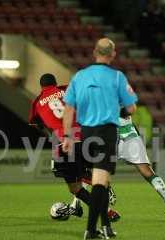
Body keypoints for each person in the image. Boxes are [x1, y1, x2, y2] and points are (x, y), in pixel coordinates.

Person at [62, 38, 137, 240]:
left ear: (94, 51)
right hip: (106, 132)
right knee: (100, 182)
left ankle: (105, 227)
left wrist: (68, 135)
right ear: (113, 54)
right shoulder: (117, 77)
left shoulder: (80, 77)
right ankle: (90, 230)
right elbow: (131, 108)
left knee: (102, 182)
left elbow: (68, 109)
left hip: (86, 134)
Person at [28, 73, 120, 222]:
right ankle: (101, 185)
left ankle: (106, 211)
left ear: (41, 87)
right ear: (55, 84)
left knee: (75, 187)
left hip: (64, 143)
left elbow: (34, 123)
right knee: (91, 170)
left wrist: (50, 129)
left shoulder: (37, 102)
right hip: (86, 136)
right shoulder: (66, 89)